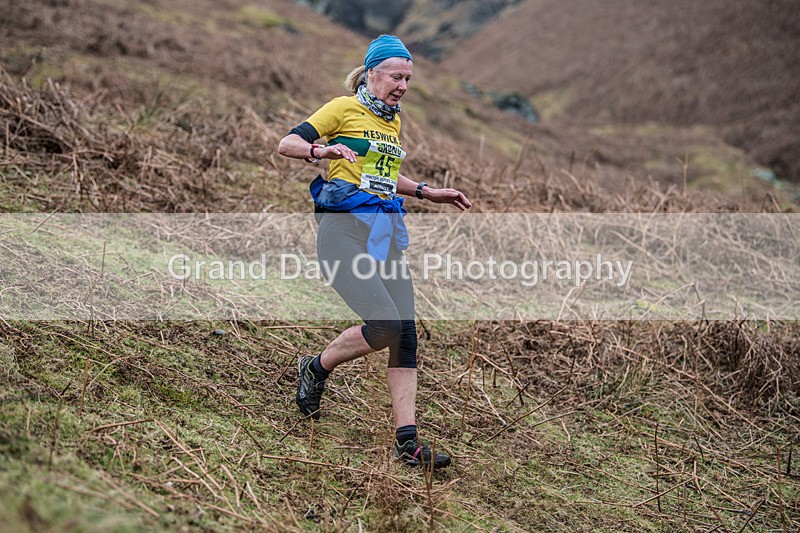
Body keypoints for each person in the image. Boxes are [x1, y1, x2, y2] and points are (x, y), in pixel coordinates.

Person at [277, 34, 471, 470]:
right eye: (396, 76)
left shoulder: (392, 122)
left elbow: (383, 175)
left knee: (405, 334)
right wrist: (319, 150)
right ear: (371, 73)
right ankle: (316, 367)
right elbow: (286, 143)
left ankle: (408, 442)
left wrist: (426, 191)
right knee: (384, 325)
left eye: (408, 79)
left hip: (381, 235)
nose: (403, 86)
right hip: (342, 232)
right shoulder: (342, 108)